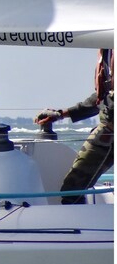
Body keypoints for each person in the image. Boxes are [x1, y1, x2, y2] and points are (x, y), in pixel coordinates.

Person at [35, 48, 113, 204]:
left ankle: (77, 224)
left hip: (109, 131)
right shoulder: (107, 50)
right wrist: (62, 114)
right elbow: (102, 97)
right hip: (109, 130)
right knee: (73, 189)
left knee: (73, 189)